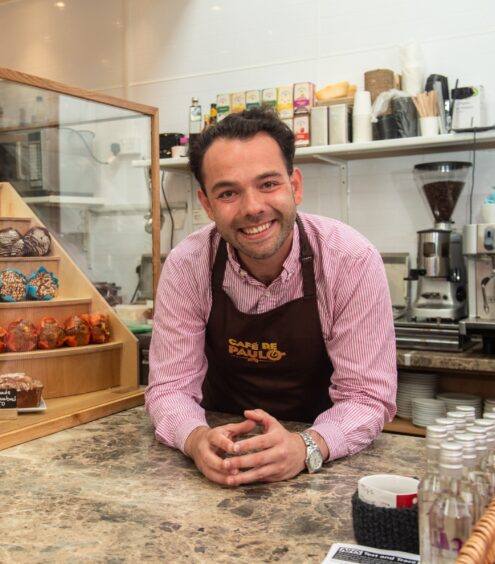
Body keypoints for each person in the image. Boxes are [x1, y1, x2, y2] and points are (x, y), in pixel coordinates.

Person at [145, 108, 397, 487]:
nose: (252, 208)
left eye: (268, 184)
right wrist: (196, 440)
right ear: (208, 205)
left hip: (322, 457)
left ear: (294, 186)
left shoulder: (349, 259)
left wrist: (307, 446)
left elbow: (365, 396)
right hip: (222, 454)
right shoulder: (187, 265)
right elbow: (170, 388)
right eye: (228, 193)